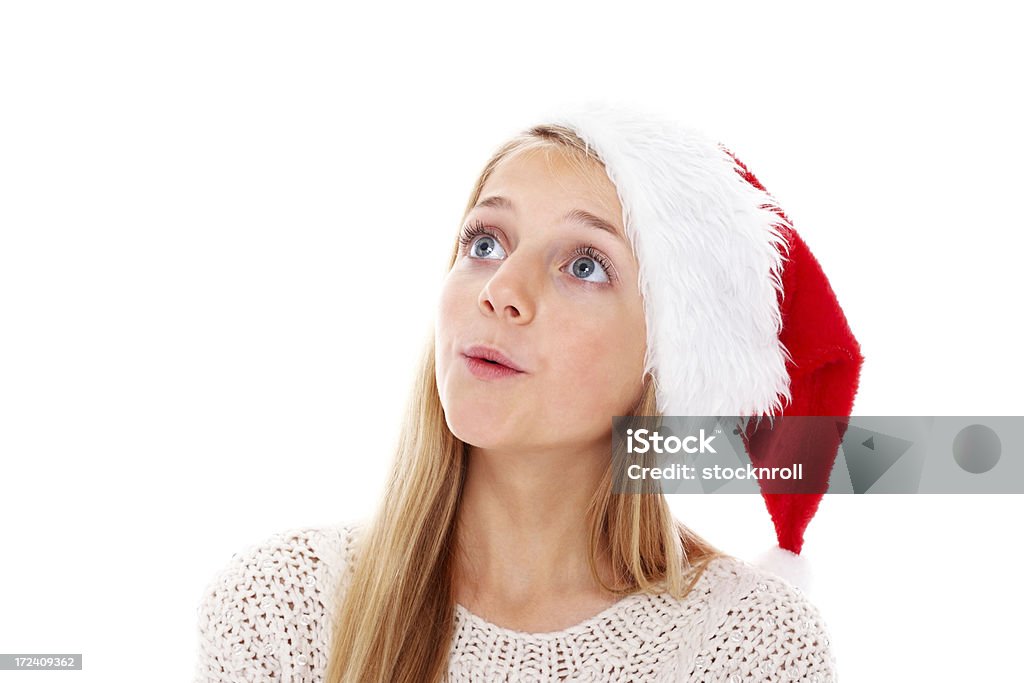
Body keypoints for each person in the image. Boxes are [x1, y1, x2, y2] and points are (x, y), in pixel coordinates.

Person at [194, 103, 860, 682]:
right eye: (485, 242)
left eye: (584, 264)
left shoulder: (749, 647)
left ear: (667, 357)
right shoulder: (283, 610)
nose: (501, 289)